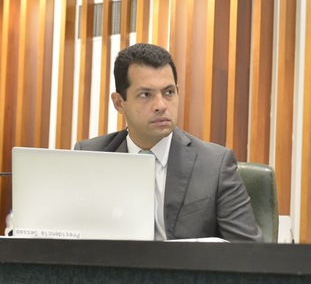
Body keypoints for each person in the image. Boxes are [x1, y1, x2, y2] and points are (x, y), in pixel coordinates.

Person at [75, 43, 263, 242]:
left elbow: (249, 251)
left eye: (168, 92)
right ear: (119, 103)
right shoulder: (89, 157)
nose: (161, 105)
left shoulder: (215, 165)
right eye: (145, 95)